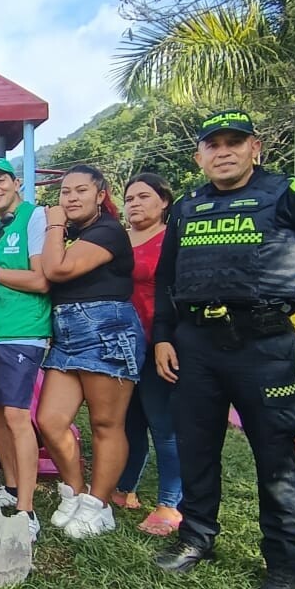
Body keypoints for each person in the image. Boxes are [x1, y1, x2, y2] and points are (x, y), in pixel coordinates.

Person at [152, 109, 295, 589]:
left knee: (274, 455)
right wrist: (163, 335)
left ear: (255, 148)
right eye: (213, 144)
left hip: (263, 346)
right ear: (199, 155)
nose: (223, 151)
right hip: (196, 345)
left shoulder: (289, 193)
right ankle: (197, 537)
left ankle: (284, 565)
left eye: (234, 142)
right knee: (197, 447)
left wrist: (293, 301)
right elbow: (166, 278)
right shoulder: (187, 205)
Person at [36, 165, 145, 541]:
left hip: (106, 329)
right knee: (49, 420)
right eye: (65, 192)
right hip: (67, 333)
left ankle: (99, 505)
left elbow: (57, 269)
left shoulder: (108, 231)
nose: (71, 198)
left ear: (101, 195)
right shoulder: (77, 233)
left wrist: (53, 225)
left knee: (105, 424)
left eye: (81, 190)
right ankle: (77, 491)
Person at [0, 158, 50, 542]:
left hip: (21, 331)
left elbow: (41, 279)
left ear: (15, 182)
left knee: (17, 416)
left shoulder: (35, 218)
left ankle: (27, 510)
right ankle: (12, 488)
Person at [111, 174, 184, 535]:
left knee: (163, 423)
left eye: (144, 196)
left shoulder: (173, 239)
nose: (135, 203)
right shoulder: (120, 239)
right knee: (130, 421)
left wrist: (163, 340)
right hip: (123, 343)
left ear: (164, 201)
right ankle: (125, 489)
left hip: (161, 340)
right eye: (129, 198)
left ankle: (170, 503)